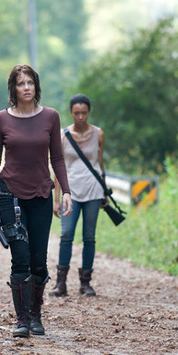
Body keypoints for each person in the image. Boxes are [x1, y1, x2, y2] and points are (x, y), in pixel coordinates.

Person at [0, 64, 73, 338]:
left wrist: (65, 191)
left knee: (38, 260)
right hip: (10, 193)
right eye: (21, 83)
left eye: (30, 82)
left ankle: (35, 316)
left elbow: (57, 158)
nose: (26, 87)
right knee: (20, 257)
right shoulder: (1, 119)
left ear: (36, 86)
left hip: (41, 193)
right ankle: (22, 320)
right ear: (13, 89)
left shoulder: (51, 117)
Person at [51, 94, 107, 297]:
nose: (80, 117)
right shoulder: (62, 135)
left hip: (93, 190)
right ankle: (61, 283)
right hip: (70, 191)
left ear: (89, 112)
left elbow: (100, 163)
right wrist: (56, 199)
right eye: (77, 113)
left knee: (89, 237)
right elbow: (58, 167)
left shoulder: (98, 133)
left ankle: (85, 283)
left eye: (84, 113)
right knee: (66, 234)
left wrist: (105, 190)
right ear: (71, 113)